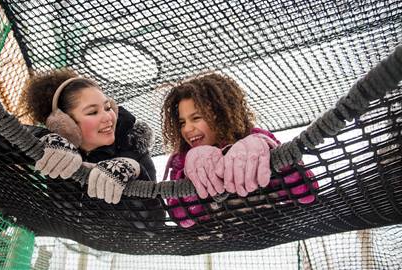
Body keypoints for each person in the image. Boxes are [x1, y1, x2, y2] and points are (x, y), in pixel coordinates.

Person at [161, 72, 318, 228]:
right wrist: (189, 175)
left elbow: (307, 193)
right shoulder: (181, 159)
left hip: (269, 226)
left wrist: (270, 154)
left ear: (220, 113)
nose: (187, 129)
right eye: (182, 123)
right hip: (220, 236)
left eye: (196, 118)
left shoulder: (257, 138)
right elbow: (181, 217)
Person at [19, 68, 164, 230]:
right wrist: (45, 138)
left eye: (108, 108)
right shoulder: (54, 146)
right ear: (65, 126)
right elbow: (0, 132)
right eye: (93, 112)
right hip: (62, 227)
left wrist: (136, 169)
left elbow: (154, 223)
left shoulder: (133, 146)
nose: (108, 118)